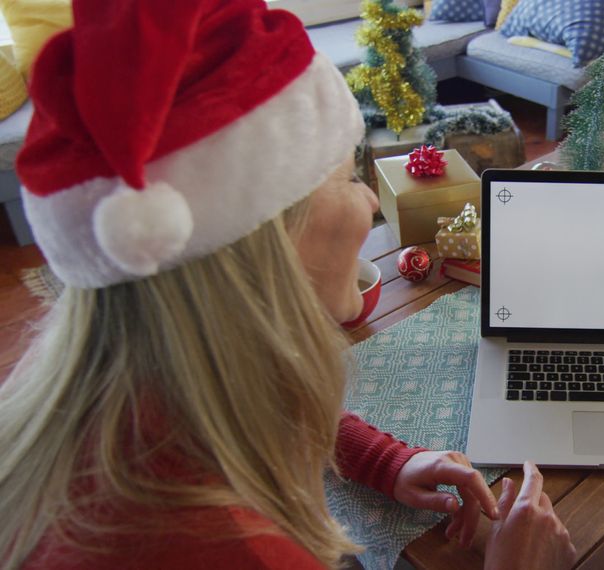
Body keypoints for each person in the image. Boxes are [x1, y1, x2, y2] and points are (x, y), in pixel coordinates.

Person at [0, 1, 574, 569]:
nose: (370, 200)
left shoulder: (107, 399)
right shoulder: (226, 548)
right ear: (266, 246)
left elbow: (236, 404)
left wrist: (382, 461)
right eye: (347, 177)